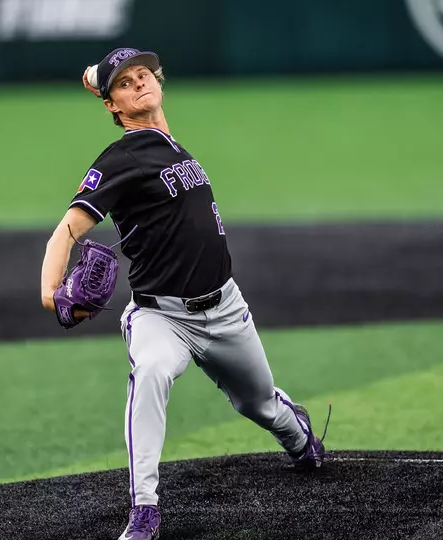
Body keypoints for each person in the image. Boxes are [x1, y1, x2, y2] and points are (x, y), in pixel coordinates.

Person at [41, 48, 326, 540]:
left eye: (143, 76)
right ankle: (144, 508)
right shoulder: (121, 158)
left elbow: (113, 84)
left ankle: (296, 434)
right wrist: (51, 293)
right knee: (151, 373)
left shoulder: (167, 144)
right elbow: (67, 230)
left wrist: (101, 79)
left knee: (258, 404)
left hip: (226, 307)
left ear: (158, 82)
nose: (139, 84)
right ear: (113, 106)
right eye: (126, 84)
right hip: (161, 317)